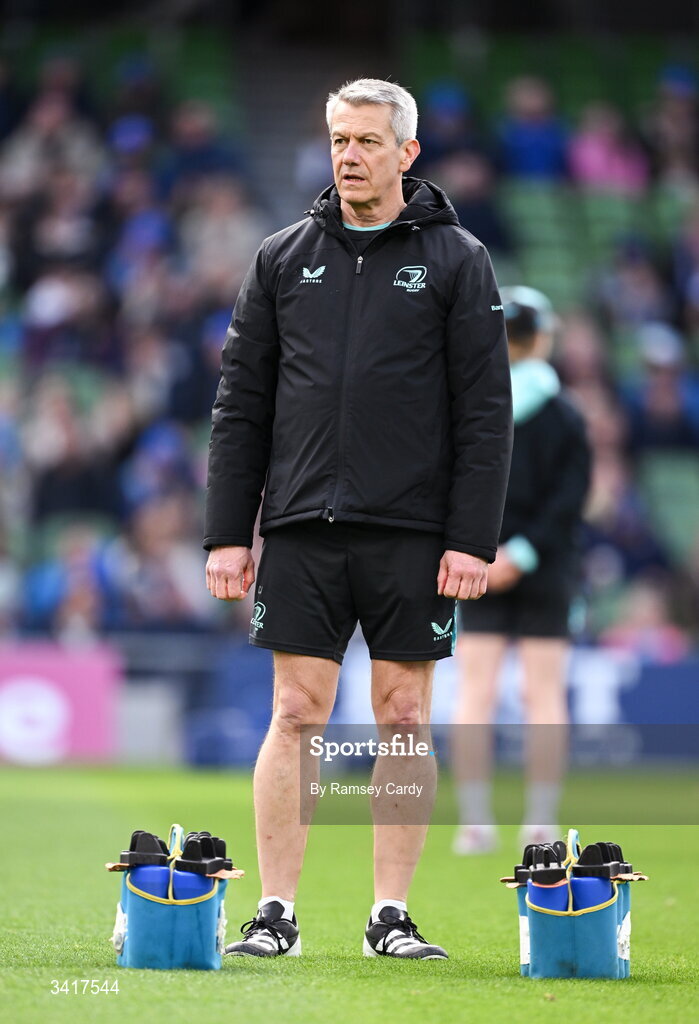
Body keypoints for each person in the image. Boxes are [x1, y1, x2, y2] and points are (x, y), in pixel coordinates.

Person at [204, 78, 512, 958]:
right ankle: (276, 913)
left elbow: (485, 412)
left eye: (368, 141)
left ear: (406, 153)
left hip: (414, 533)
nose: (349, 155)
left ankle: (389, 916)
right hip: (301, 524)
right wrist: (229, 531)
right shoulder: (278, 257)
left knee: (404, 714)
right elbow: (241, 405)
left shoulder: (458, 260)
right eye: (339, 139)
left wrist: (469, 538)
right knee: (295, 711)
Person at [451, 287, 591, 855]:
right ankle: (539, 821)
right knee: (545, 695)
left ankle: (476, 820)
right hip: (547, 568)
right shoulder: (565, 416)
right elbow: (570, 500)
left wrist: (488, 552)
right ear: (546, 338)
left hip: (477, 564)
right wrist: (526, 554)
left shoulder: (469, 406)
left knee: (474, 694)